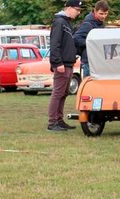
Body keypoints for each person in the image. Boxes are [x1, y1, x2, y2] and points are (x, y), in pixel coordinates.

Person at [47, 0, 83, 132]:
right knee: (58, 93)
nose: (78, 13)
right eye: (76, 10)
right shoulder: (59, 22)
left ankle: (59, 120)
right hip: (62, 64)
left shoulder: (66, 22)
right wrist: (57, 63)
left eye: (79, 10)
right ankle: (52, 122)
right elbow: (54, 44)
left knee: (63, 93)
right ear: (68, 8)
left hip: (68, 63)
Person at [74, 0, 110, 77]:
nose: (103, 16)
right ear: (95, 11)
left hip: (97, 61)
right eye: (101, 13)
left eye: (106, 14)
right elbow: (76, 39)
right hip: (89, 63)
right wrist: (92, 43)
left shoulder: (100, 23)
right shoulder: (88, 24)